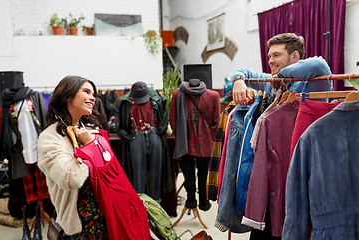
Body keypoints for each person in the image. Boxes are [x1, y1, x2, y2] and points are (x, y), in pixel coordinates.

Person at [37, 76, 150, 239]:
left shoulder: (92, 130)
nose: (92, 97)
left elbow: (114, 171)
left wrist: (130, 198)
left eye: (93, 93)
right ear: (68, 96)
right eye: (86, 92)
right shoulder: (50, 138)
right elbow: (71, 179)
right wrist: (91, 147)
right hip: (82, 224)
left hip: (110, 214)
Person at [112, 81, 173, 202]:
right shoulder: (124, 102)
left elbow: (165, 116)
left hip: (154, 134)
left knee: (157, 169)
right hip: (135, 136)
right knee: (137, 171)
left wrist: (160, 131)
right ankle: (140, 202)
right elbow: (118, 124)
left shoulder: (158, 98)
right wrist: (125, 135)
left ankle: (156, 201)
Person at [231, 33, 332, 105]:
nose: (270, 61)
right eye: (270, 56)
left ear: (294, 56)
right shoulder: (271, 82)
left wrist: (280, 76)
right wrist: (238, 80)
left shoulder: (313, 83)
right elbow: (244, 71)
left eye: (276, 55)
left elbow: (318, 64)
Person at [169, 78, 220, 211]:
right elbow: (172, 117)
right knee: (188, 175)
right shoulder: (178, 94)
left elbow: (216, 120)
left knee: (204, 175)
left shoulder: (213, 95)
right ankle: (191, 200)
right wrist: (178, 133)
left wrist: (211, 136)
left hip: (205, 142)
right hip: (185, 140)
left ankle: (204, 201)